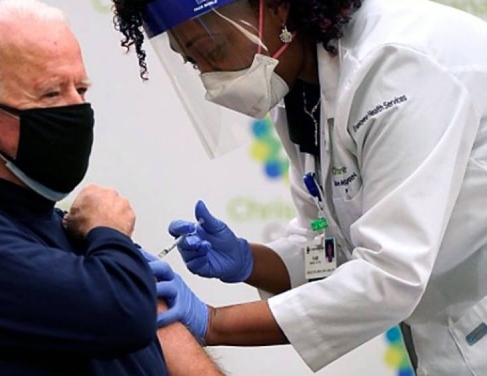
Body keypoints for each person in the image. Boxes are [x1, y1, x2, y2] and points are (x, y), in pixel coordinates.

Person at [112, 0, 487, 375]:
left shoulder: (394, 66)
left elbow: (389, 276)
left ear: (277, 7)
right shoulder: (303, 91)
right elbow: (329, 249)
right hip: (448, 334)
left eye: (213, 51)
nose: (211, 81)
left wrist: (213, 322)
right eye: (195, 64)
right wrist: (249, 260)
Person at [0, 1, 224, 375]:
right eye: (51, 94)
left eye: (80, 89)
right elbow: (121, 316)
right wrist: (111, 236)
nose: (77, 109)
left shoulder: (81, 236)